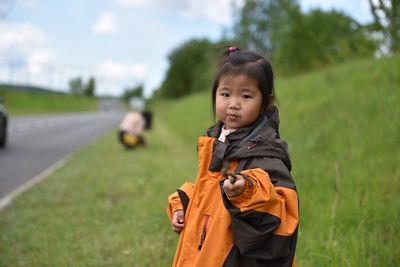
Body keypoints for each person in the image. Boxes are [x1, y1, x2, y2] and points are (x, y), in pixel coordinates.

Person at [166, 47, 299, 267]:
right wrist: (182, 203)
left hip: (234, 257)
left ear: (266, 101)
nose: (233, 104)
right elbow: (209, 191)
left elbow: (281, 213)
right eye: (225, 94)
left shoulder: (265, 152)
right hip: (206, 249)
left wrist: (246, 190)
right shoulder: (220, 140)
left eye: (246, 96)